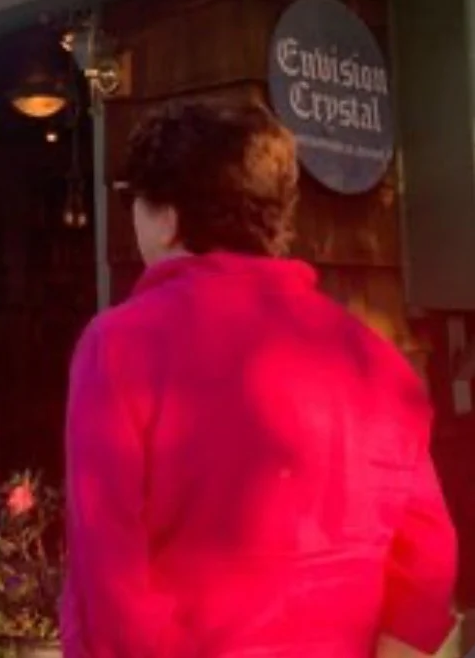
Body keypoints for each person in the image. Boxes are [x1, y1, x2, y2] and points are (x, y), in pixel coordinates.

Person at [63, 99, 457, 658]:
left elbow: (107, 577)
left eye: (136, 201)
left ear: (170, 218)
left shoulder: (119, 346)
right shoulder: (376, 358)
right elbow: (427, 555)